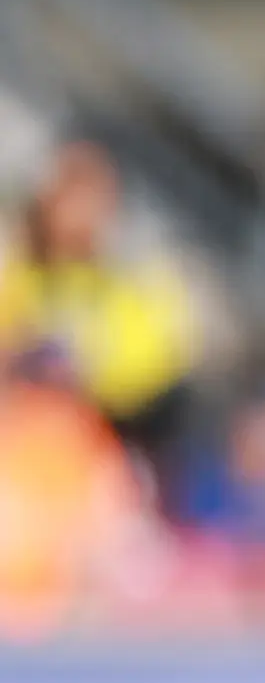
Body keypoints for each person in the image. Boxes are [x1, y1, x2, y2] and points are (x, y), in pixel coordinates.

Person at [0, 138, 199, 453]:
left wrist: (77, 360)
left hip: (91, 437)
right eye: (70, 192)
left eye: (91, 197)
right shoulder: (18, 254)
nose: (80, 210)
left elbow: (150, 364)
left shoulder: (126, 276)